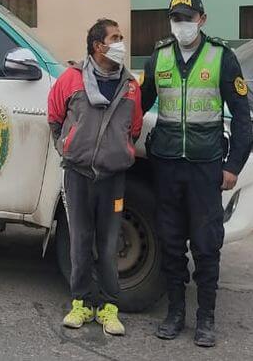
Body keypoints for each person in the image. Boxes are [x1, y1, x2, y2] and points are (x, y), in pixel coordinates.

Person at [141, 0, 252, 348]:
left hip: (206, 168)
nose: (182, 25)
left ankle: (206, 318)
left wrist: (233, 165)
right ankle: (175, 313)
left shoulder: (222, 57)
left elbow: (243, 118)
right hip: (167, 166)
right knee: (171, 243)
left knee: (206, 245)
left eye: (188, 18)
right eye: (176, 18)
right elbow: (136, 108)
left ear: (202, 19)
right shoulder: (157, 58)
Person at [48, 18, 143, 336]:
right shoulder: (71, 79)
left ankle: (109, 307)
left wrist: (119, 150)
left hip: (113, 177)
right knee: (80, 241)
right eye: (115, 38)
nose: (121, 43)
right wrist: (67, 146)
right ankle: (81, 303)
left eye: (121, 37)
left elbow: (135, 126)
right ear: (98, 46)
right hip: (78, 175)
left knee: (108, 244)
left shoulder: (130, 85)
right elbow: (54, 116)